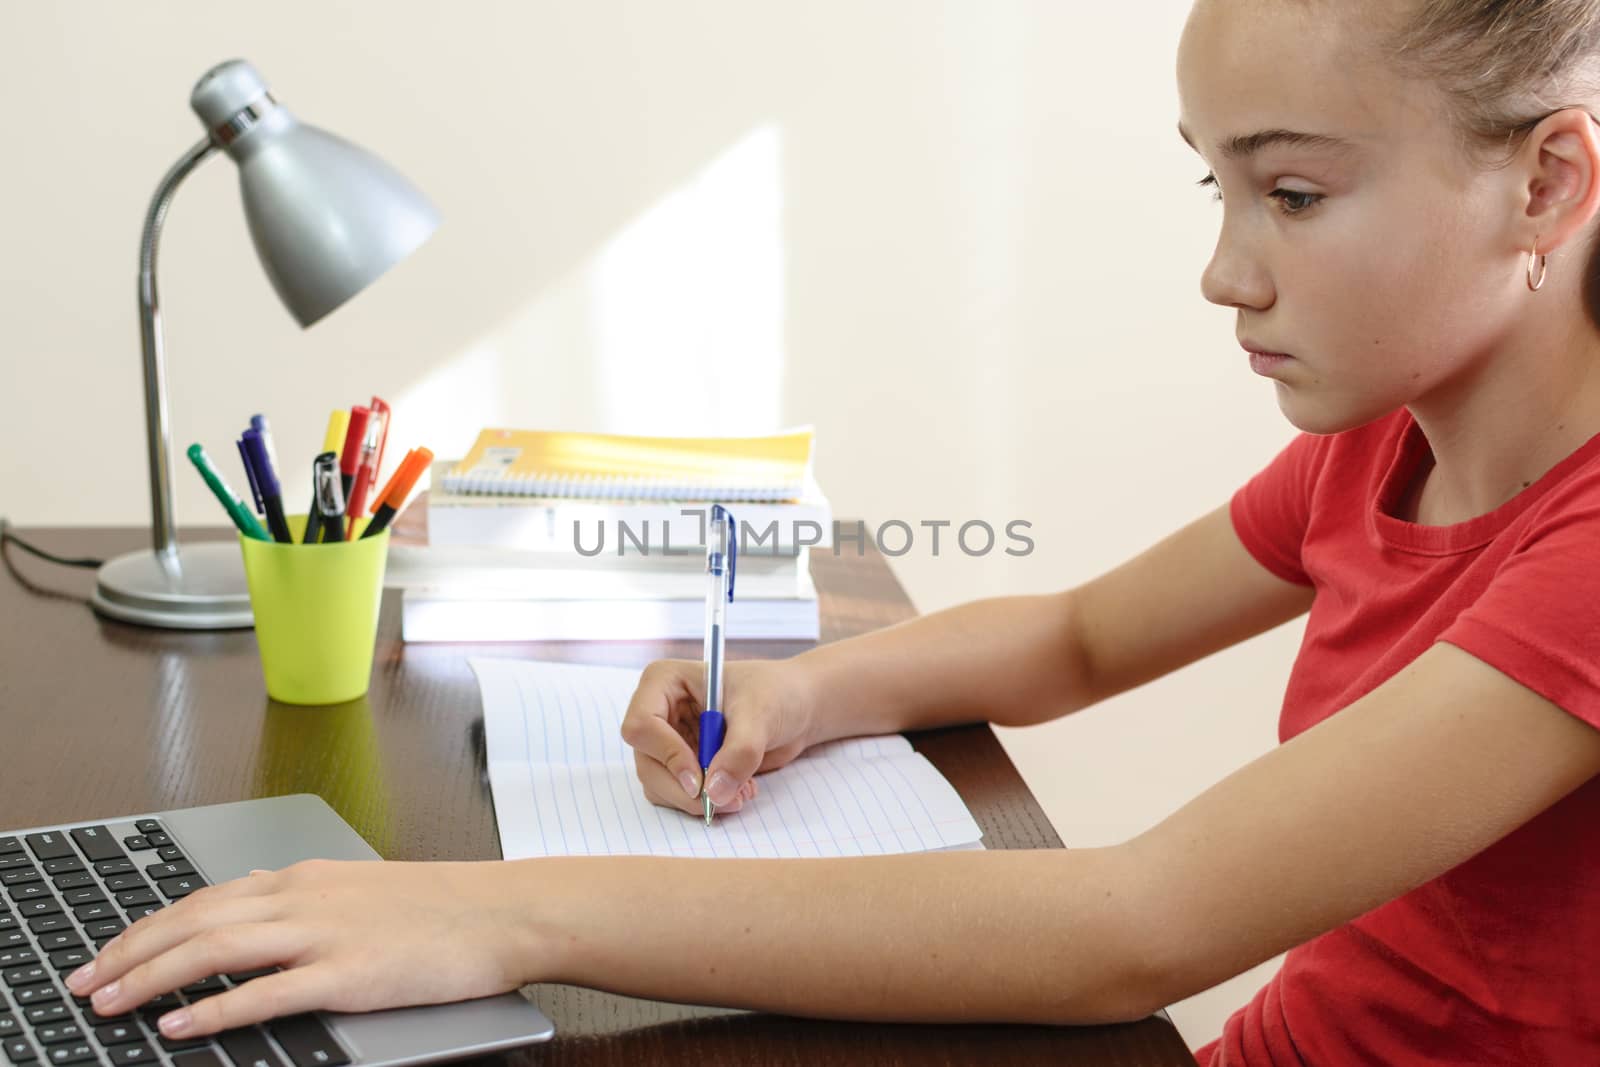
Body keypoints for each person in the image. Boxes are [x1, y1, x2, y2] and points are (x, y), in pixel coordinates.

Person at [67, 0, 1600, 1061]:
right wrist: (804, 692)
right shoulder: (1385, 440)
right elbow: (1074, 636)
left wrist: (496, 912)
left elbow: (1138, 926)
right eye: (1220, 186)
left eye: (1296, 195)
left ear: (1545, 181)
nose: (1225, 271)